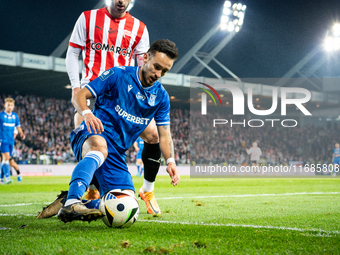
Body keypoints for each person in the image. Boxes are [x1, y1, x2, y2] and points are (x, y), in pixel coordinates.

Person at [57, 39, 180, 223]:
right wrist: (88, 113)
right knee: (99, 147)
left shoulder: (161, 96)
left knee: (128, 205)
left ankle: (71, 203)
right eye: (156, 66)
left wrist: (170, 161)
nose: (158, 74)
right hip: (91, 134)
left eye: (164, 71)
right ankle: (72, 201)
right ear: (145, 58)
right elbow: (79, 96)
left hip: (116, 154)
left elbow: (164, 134)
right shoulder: (117, 75)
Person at [65, 0, 164, 214]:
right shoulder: (88, 18)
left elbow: (142, 65)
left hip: (122, 93)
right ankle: (89, 191)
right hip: (93, 89)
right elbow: (73, 53)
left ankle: (147, 190)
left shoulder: (139, 28)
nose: (121, 1)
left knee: (154, 134)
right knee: (90, 138)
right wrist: (75, 87)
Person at [0, 98, 25, 184]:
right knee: (6, 158)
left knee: (5, 159)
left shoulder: (15, 116)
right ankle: (7, 177)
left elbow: (18, 126)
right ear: (5, 105)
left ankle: (1, 178)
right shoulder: (1, 115)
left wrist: (21, 133)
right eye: (8, 105)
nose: (10, 107)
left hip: (11, 141)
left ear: (13, 106)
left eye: (11, 105)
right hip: (2, 140)